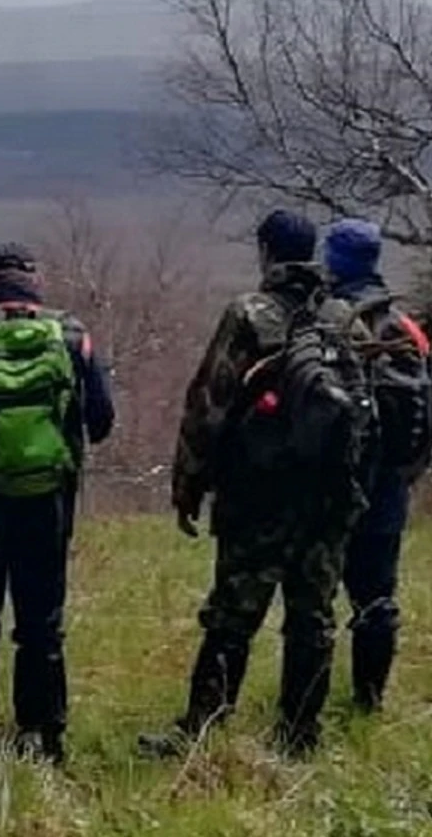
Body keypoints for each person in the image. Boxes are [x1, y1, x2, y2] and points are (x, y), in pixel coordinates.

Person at [140, 209, 365, 759]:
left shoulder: (248, 314)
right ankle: (299, 736)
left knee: (232, 616)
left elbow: (208, 404)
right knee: (313, 617)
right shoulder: (344, 318)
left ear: (266, 252)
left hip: (258, 498)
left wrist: (188, 485)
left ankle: (201, 729)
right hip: (328, 499)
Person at [0, 242, 115, 768]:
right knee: (41, 622)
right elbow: (102, 421)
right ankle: (43, 737)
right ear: (34, 280)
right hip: (46, 503)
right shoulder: (73, 337)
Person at [323, 218, 432, 714]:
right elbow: (430, 415)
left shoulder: (326, 319)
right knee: (377, 599)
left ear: (333, 261)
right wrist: (403, 473)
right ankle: (369, 702)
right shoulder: (407, 328)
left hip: (330, 482)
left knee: (317, 598)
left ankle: (307, 703)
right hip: (389, 484)